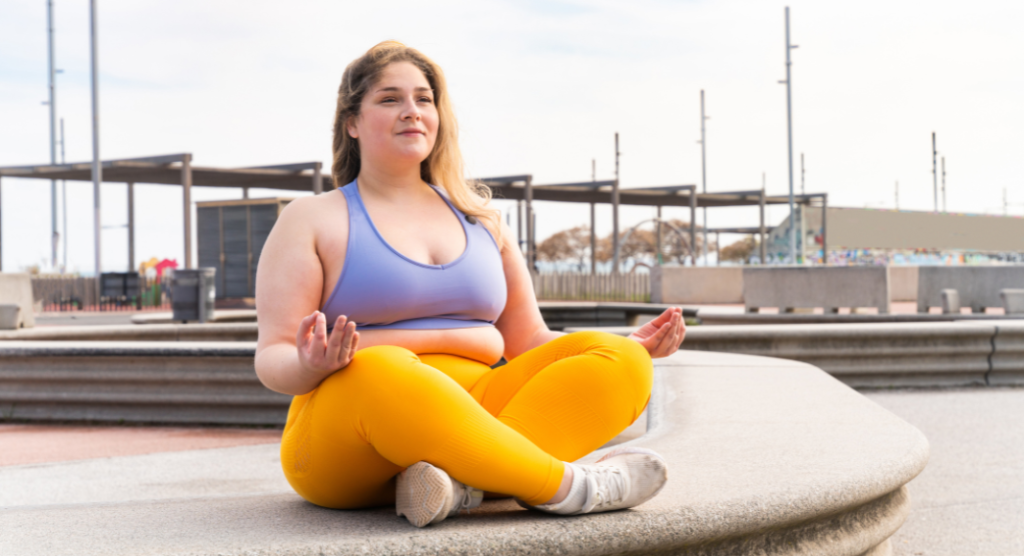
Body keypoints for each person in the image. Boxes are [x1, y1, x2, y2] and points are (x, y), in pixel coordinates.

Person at [254, 40, 687, 528]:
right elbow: (272, 359)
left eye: (424, 98)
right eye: (390, 99)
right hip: (349, 435)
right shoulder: (310, 218)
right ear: (351, 122)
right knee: (380, 367)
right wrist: (311, 363)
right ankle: (571, 487)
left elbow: (529, 341)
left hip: (477, 405)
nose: (412, 112)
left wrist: (626, 345)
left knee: (621, 359)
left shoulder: (482, 219)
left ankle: (460, 484)